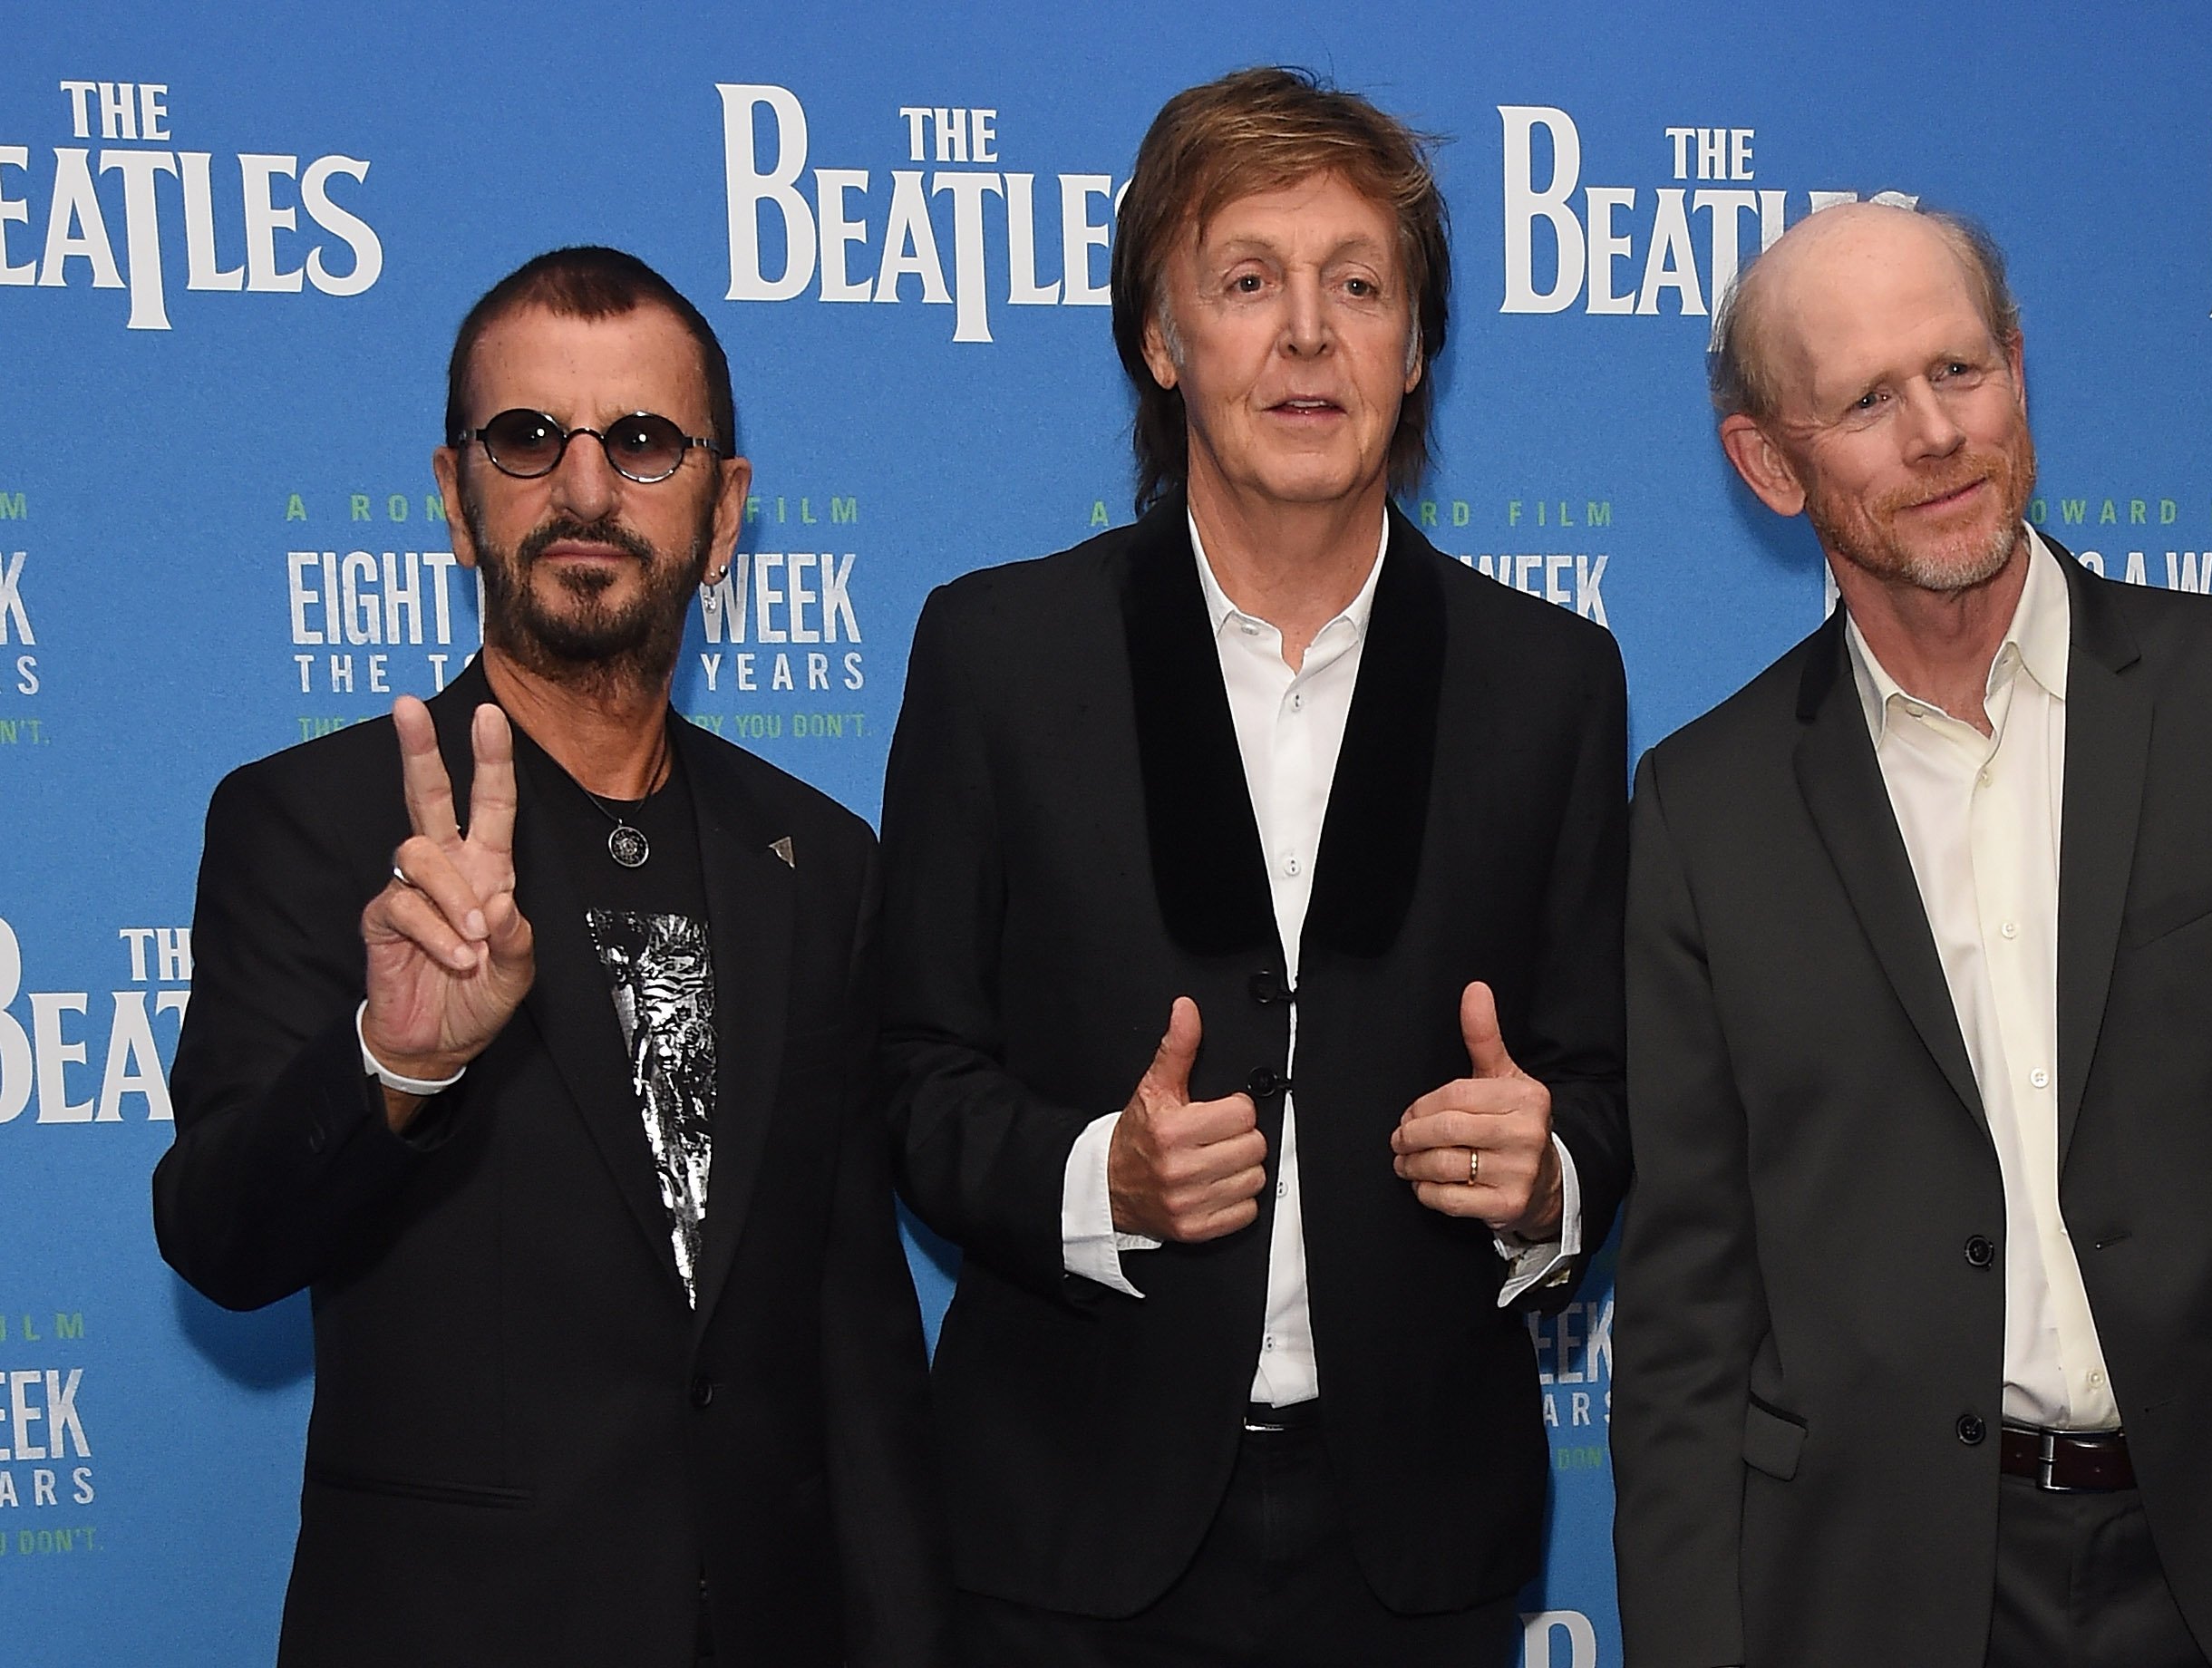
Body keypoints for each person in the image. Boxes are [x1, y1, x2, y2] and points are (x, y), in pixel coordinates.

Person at [1611, 201, 2212, 1668]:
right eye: (1867, 399)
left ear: (2021, 369)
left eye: (1961, 370)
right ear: (1769, 463)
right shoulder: (1703, 809)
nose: (1934, 433)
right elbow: (1684, 1315)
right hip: (1888, 1589)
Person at [878, 66, 1630, 1667]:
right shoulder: (1002, 654)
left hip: (1414, 1552)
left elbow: (1612, 1084)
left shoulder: (1547, 681)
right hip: (1063, 1541)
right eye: (1247, 282)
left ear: (1415, 345)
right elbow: (911, 1071)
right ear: (1162, 341)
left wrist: (1550, 1168)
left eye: (1359, 284)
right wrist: (1100, 1181)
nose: (1307, 333)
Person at [153, 247, 946, 1667]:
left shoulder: (820, 862)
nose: (586, 488)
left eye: (643, 442)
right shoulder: (313, 825)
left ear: (724, 511)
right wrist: (395, 1061)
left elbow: (857, 1348)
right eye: (528, 439)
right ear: (457, 498)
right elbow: (221, 1238)